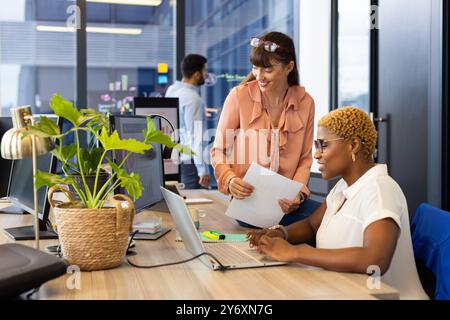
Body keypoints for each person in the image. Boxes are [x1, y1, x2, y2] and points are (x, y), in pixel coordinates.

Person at [248, 106, 428, 299]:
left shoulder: (380, 190)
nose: (316, 154)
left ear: (354, 145)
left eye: (323, 145)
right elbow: (311, 225)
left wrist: (294, 253)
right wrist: (280, 233)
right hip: (342, 289)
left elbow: (375, 259)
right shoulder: (343, 187)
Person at [211, 32, 320, 227]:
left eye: (267, 69)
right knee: (311, 228)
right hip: (248, 202)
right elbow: (218, 150)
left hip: (287, 205)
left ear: (289, 67)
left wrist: (299, 194)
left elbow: (305, 159)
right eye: (255, 67)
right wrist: (230, 180)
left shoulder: (306, 103)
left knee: (327, 220)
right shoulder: (239, 96)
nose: (259, 76)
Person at [166, 54, 210, 189]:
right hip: (191, 163)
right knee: (196, 206)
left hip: (176, 157)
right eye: (204, 71)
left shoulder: (172, 90)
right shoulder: (193, 99)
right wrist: (203, 170)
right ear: (197, 74)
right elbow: (196, 136)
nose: (206, 74)